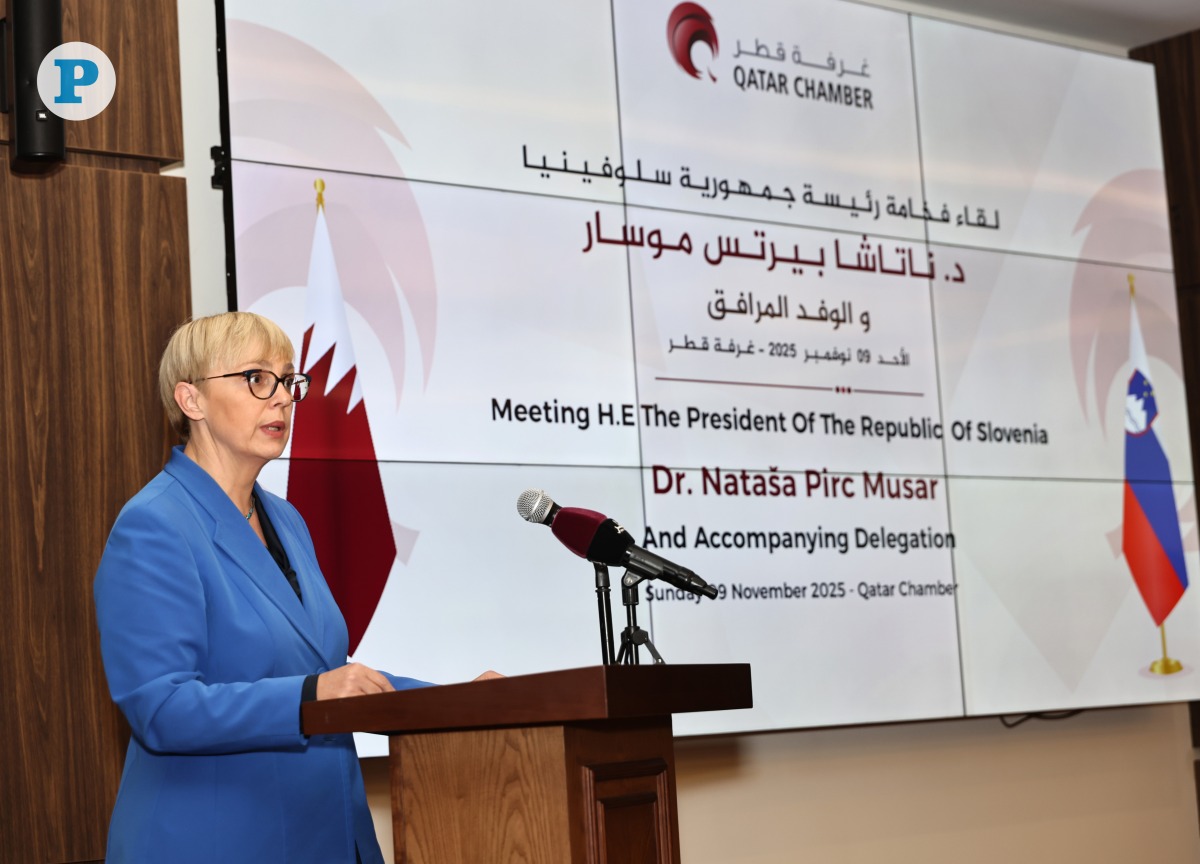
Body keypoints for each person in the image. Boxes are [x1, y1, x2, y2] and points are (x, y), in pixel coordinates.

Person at [94, 312, 492, 863]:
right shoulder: (154, 525)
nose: (281, 398)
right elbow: (161, 708)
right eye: (257, 378)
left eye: (288, 381)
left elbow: (332, 674)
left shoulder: (285, 520)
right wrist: (308, 697)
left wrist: (462, 701)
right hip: (217, 844)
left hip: (327, 837)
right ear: (192, 400)